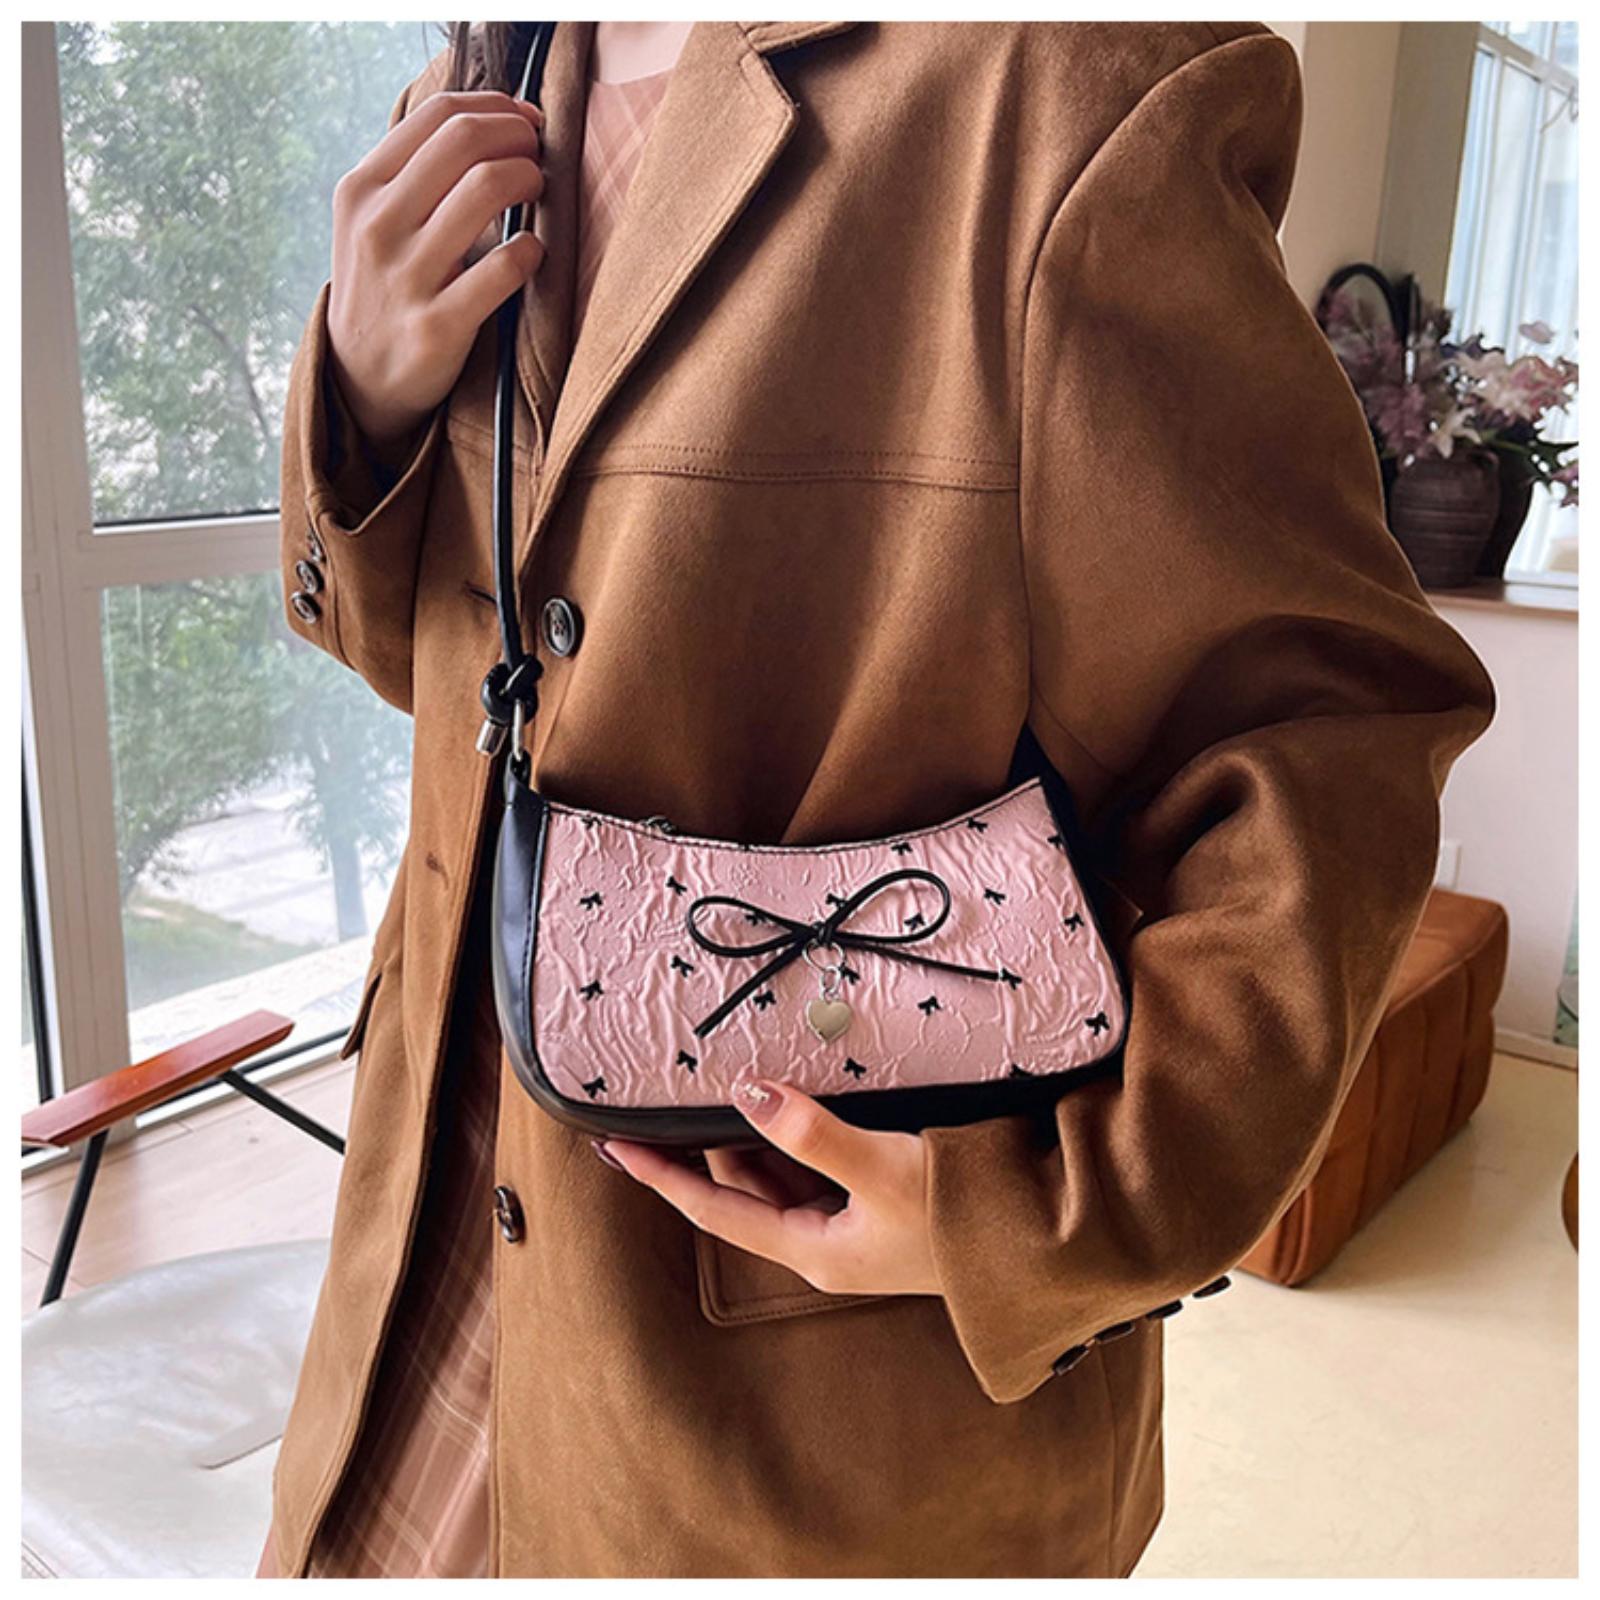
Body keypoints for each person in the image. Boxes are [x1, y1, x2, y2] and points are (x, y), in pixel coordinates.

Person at [258, 19, 1494, 1579]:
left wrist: (1056, 1209)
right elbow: (452, 681)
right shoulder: (480, 78)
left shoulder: (1064, 88)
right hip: (420, 1261)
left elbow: (1330, 741)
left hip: (801, 1413)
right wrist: (362, 400)